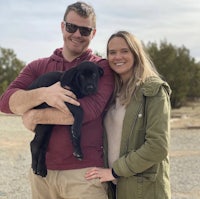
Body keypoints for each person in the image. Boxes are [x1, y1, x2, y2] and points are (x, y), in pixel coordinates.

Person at [0, 2, 114, 199]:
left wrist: (35, 115)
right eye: (71, 27)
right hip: (42, 176)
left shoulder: (101, 67)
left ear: (93, 34)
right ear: (62, 27)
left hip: (85, 175)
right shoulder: (38, 66)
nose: (77, 34)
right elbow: (6, 102)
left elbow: (89, 109)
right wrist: (43, 94)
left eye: (85, 30)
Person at [85, 31, 171, 199]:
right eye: (112, 52)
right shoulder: (111, 93)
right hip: (115, 187)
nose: (118, 57)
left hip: (143, 189)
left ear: (136, 53)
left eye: (124, 51)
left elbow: (158, 146)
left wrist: (115, 171)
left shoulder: (153, 90)